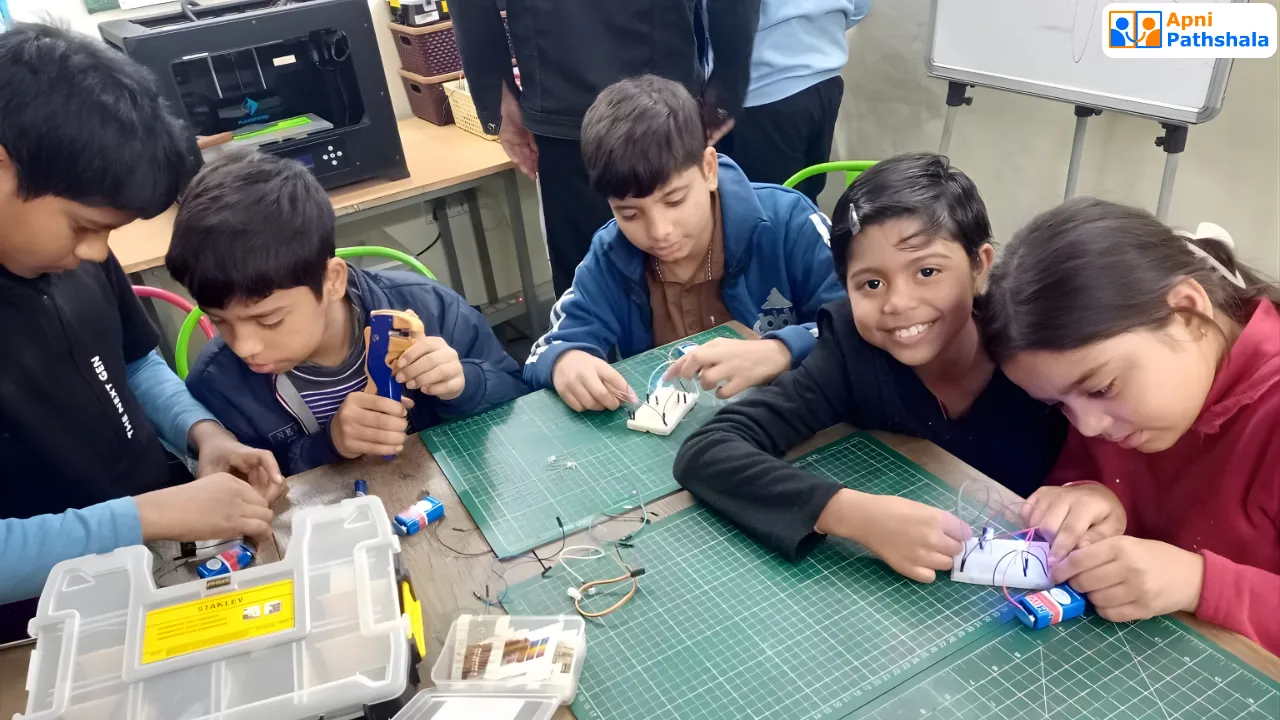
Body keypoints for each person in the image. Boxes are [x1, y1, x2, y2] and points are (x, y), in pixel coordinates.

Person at [673, 153, 1068, 581]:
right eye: (871, 284)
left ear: (979, 266)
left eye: (928, 271)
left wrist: (1092, 496)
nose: (897, 303)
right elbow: (708, 450)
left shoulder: (1037, 352)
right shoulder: (853, 352)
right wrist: (850, 514)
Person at [0, 23, 281, 612]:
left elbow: (133, 359)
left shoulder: (68, 254)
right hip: (45, 619)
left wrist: (203, 434)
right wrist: (145, 516)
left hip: (159, 552)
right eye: (84, 226)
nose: (97, 253)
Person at [982, 198, 1280, 653]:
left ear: (1186, 311)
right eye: (1059, 406)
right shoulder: (1114, 409)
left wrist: (1200, 584)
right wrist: (1090, 499)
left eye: (1100, 389)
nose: (1086, 426)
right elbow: (1086, 477)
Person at [167, 150, 530, 475]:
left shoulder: (431, 309)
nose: (244, 346)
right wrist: (328, 446)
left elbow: (523, 402)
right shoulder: (219, 382)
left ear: (333, 281)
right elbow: (248, 487)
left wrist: (465, 384)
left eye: (269, 320)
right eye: (219, 320)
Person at [522, 75, 845, 411]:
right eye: (630, 214)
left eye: (674, 200)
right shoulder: (610, 254)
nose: (660, 231)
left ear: (708, 168)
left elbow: (858, 321)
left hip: (796, 416)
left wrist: (782, 349)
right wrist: (566, 361)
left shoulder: (788, 222)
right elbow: (547, 349)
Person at [450, 0, 761, 297]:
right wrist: (730, 79)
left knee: (673, 271)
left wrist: (496, 96)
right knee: (610, 283)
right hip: (589, 105)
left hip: (585, 94)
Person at [717, 0, 871, 202]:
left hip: (766, 84)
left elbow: (724, 14)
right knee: (803, 198)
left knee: (766, 206)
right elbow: (860, 7)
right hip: (825, 77)